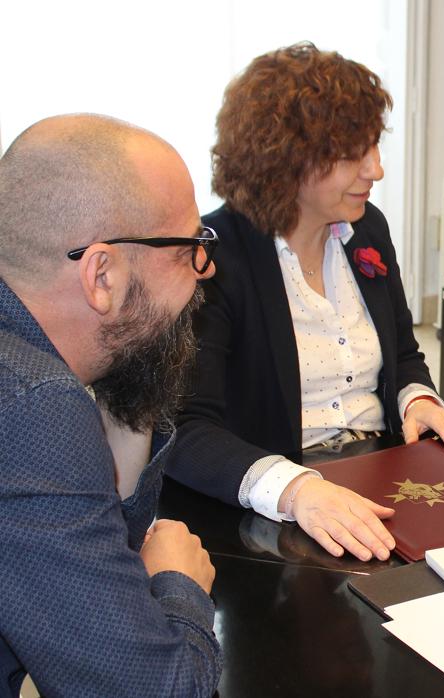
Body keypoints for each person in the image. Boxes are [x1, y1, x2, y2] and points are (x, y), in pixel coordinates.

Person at [168, 43, 444, 563]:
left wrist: (417, 401)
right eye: (354, 153)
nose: (376, 170)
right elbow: (185, 430)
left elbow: (403, 351)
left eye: (375, 147)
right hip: (277, 507)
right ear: (287, 159)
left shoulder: (367, 229)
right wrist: (300, 491)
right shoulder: (214, 256)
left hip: (379, 476)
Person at [0, 115, 221, 696]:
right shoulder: (35, 406)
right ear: (102, 274)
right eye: (188, 249)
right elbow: (159, 689)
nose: (207, 269)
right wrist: (179, 583)